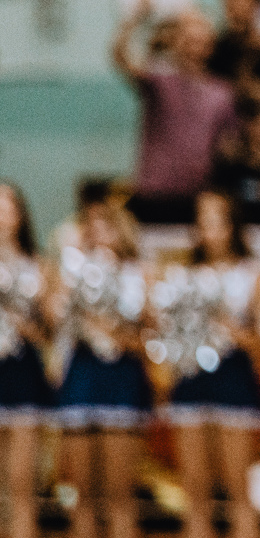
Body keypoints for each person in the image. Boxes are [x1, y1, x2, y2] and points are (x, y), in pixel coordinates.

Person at [156, 191, 260, 538]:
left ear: (233, 226)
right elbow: (163, 331)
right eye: (203, 222)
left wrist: (228, 327)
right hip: (190, 379)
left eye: (218, 221)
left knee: (238, 492)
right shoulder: (180, 275)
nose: (210, 230)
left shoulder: (252, 274)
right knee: (194, 495)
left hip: (233, 377)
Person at [52, 196, 151, 538]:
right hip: (81, 375)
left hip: (122, 378)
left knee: (120, 497)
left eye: (105, 225)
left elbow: (153, 335)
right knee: (82, 496)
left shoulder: (138, 274)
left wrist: (118, 334)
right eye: (90, 226)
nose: (97, 233)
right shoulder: (71, 272)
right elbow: (54, 319)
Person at [113, 0, 239, 224]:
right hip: (154, 196)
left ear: (210, 45)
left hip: (196, 198)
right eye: (188, 39)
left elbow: (228, 147)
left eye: (200, 40)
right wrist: (136, 19)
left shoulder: (222, 93)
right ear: (177, 42)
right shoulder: (160, 80)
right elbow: (121, 57)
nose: (193, 47)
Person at [0, 182, 51, 538]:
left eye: (7, 207)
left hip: (22, 374)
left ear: (20, 215)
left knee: (21, 487)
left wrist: (19, 319)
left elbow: (50, 333)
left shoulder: (39, 267)